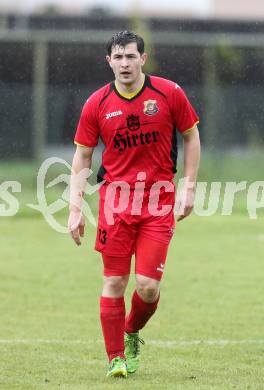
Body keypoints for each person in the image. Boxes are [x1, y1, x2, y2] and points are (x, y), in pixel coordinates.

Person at [68, 30, 200, 378]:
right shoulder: (97, 103)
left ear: (143, 58)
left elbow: (191, 135)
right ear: (108, 61)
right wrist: (75, 208)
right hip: (115, 203)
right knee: (114, 282)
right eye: (118, 57)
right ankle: (115, 358)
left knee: (147, 286)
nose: (124, 63)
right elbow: (82, 156)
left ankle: (130, 332)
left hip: (158, 202)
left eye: (131, 56)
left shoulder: (169, 93)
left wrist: (188, 187)